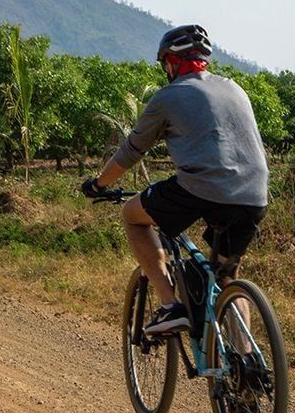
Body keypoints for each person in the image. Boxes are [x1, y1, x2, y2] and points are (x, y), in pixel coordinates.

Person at [82, 25, 269, 336]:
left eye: (164, 63)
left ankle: (171, 306)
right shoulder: (235, 88)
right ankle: (246, 370)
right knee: (225, 277)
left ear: (171, 62)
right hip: (254, 193)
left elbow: (131, 151)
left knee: (132, 215)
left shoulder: (168, 97)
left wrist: (99, 184)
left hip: (201, 188)